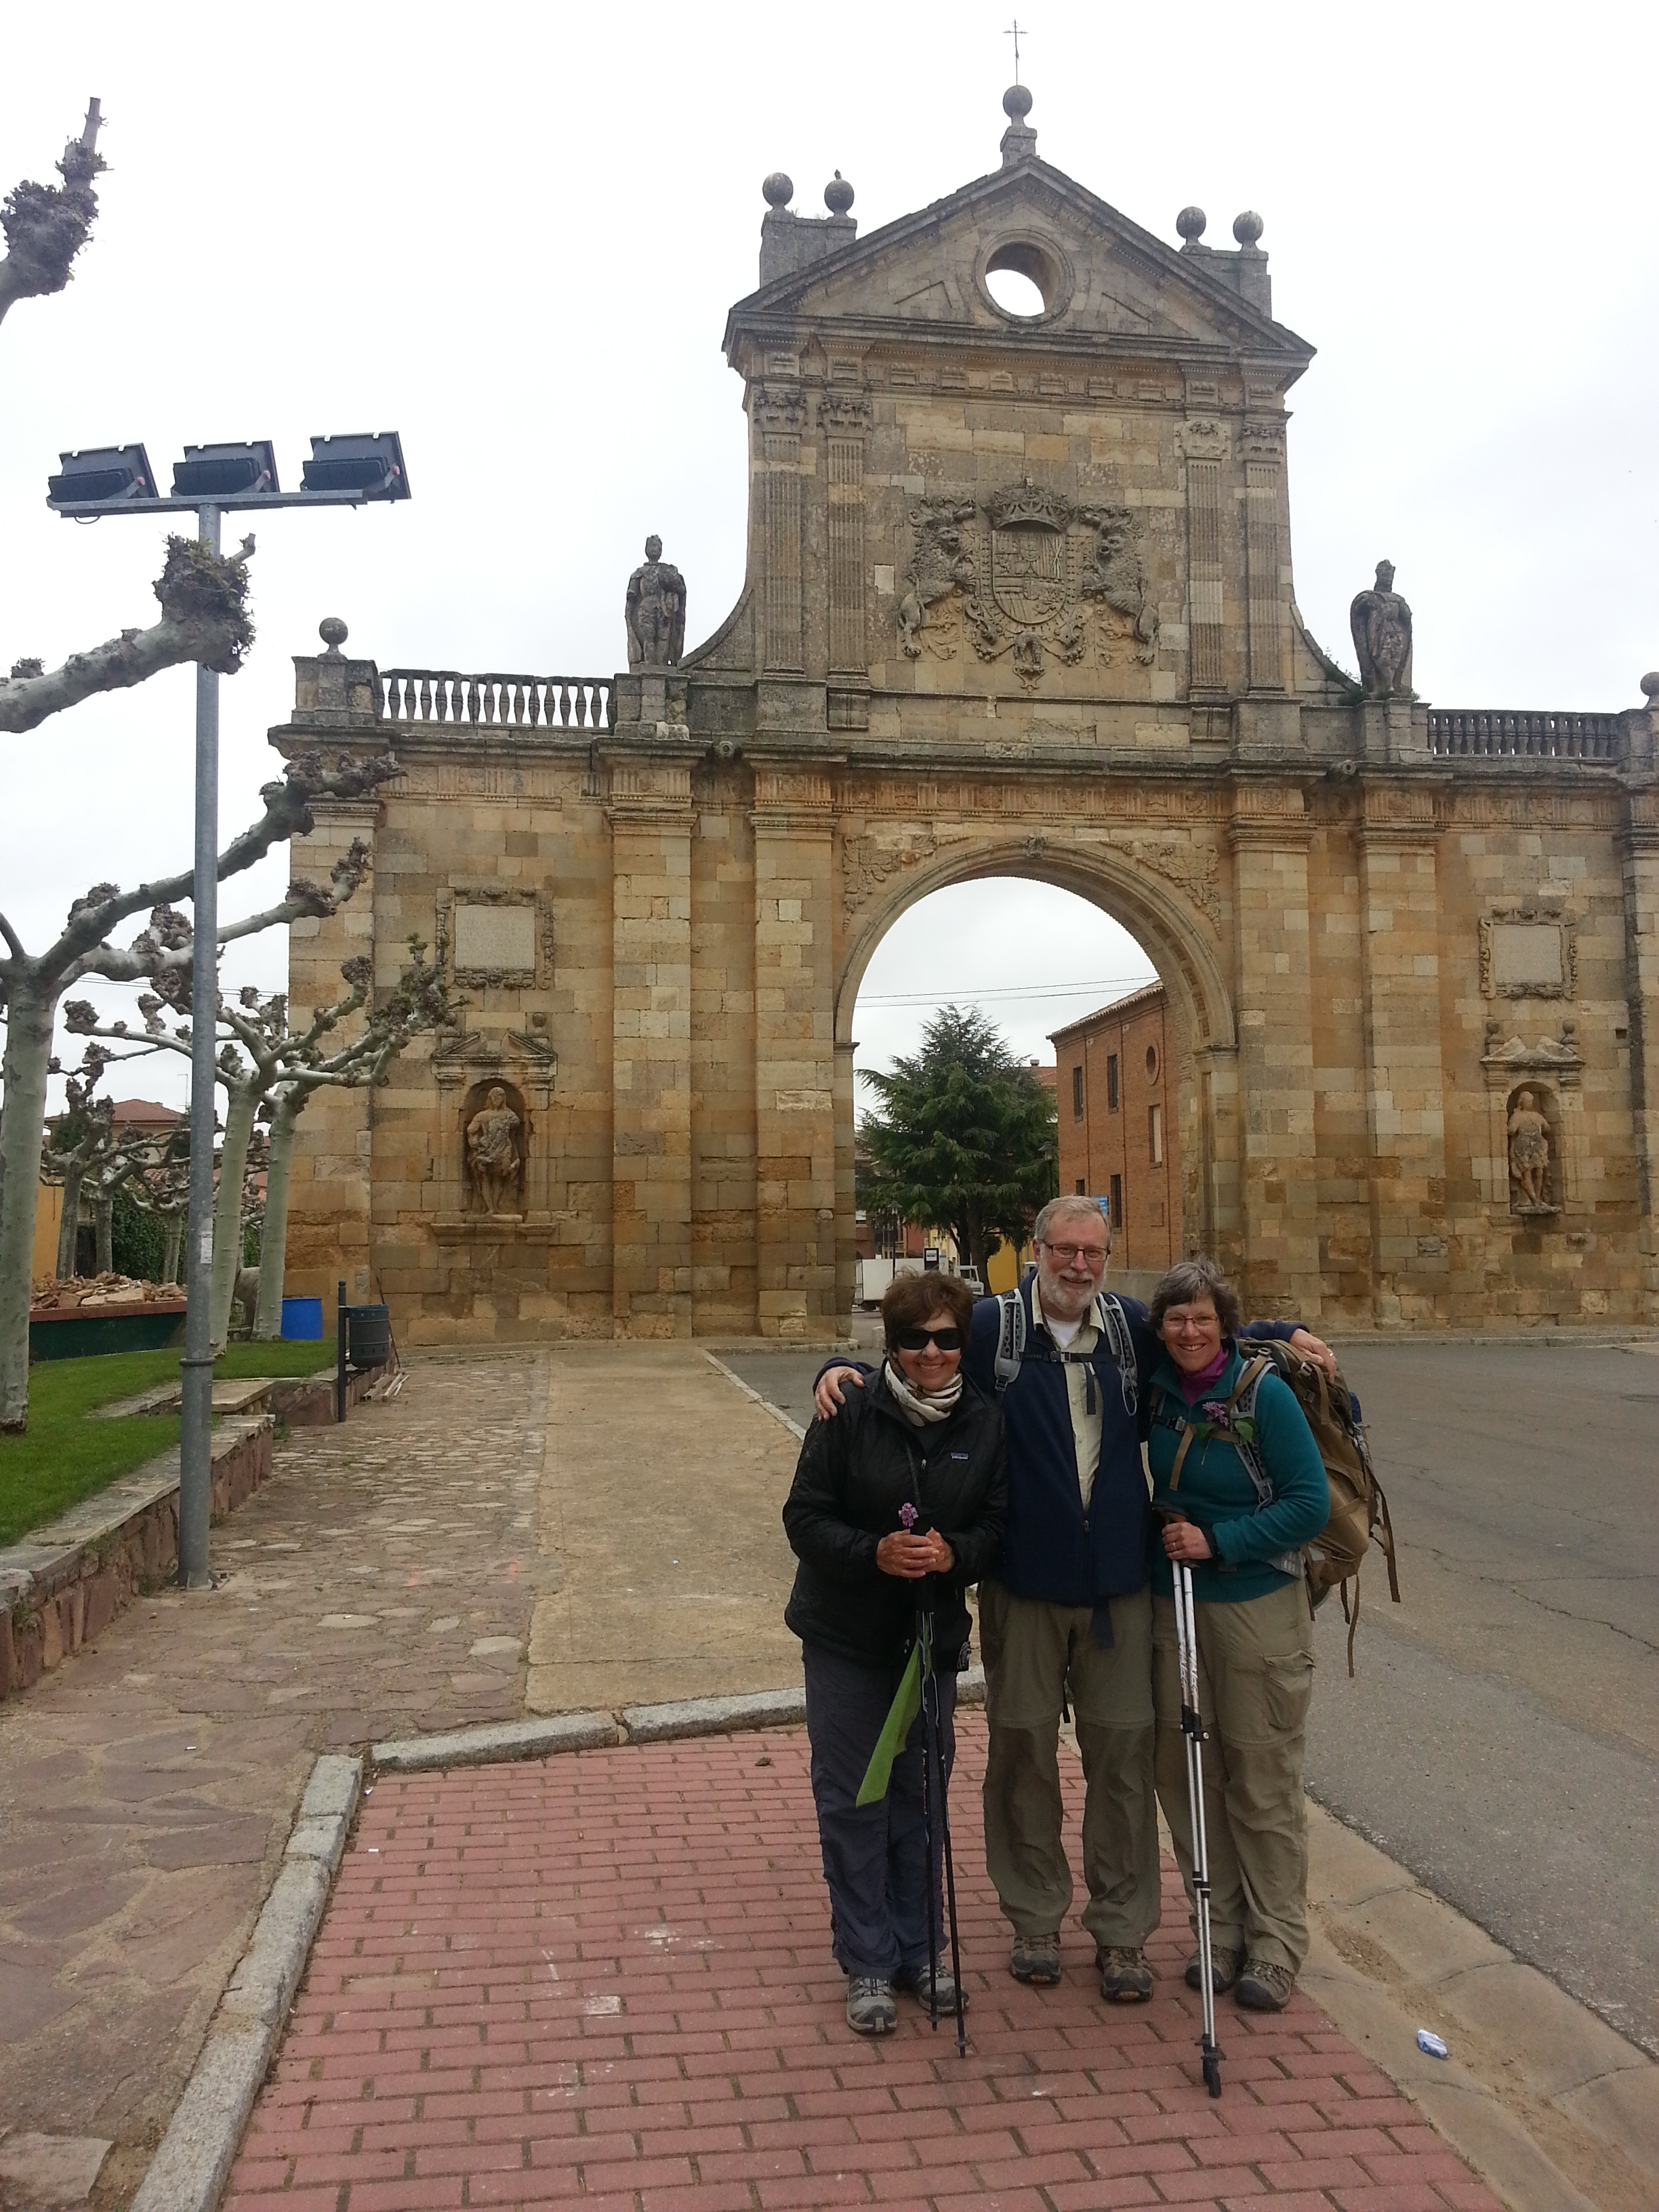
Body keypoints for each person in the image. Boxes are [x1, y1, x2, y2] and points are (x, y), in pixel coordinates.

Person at [815, 1197, 1333, 2004]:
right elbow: (914, 1350)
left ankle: (1123, 1932)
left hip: (1117, 1589)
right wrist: (832, 1369)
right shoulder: (992, 1329)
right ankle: (1034, 1920)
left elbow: (1202, 1337)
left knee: (1123, 1763)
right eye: (1065, 1250)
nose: (1079, 1266)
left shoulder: (1129, 1327)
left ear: (1106, 1256)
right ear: (1037, 1250)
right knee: (1022, 1760)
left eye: (1094, 1252)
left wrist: (1283, 1332)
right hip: (1022, 1584)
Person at [783, 1270, 1006, 2036]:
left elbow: (996, 1529)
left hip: (928, 1640)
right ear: (892, 1344)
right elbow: (804, 1517)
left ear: (964, 1343)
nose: (931, 1352)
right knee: (854, 1797)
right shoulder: (847, 1409)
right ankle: (868, 1958)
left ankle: (921, 1950)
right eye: (914, 1339)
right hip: (847, 1637)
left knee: (920, 1796)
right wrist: (872, 1552)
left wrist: (954, 1555)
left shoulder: (984, 1422)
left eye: (946, 1338)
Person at [1146, 1254, 1331, 2012]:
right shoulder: (1156, 1388)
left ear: (1225, 1326)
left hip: (1256, 1604)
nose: (1190, 1332)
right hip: (1176, 1604)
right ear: (1160, 1328)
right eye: (1177, 1319)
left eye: (1203, 1319)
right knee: (1190, 1773)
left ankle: (1276, 1943)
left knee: (1260, 1778)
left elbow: (1309, 1504)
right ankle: (1218, 1929)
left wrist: (1218, 1541)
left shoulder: (1264, 1394)